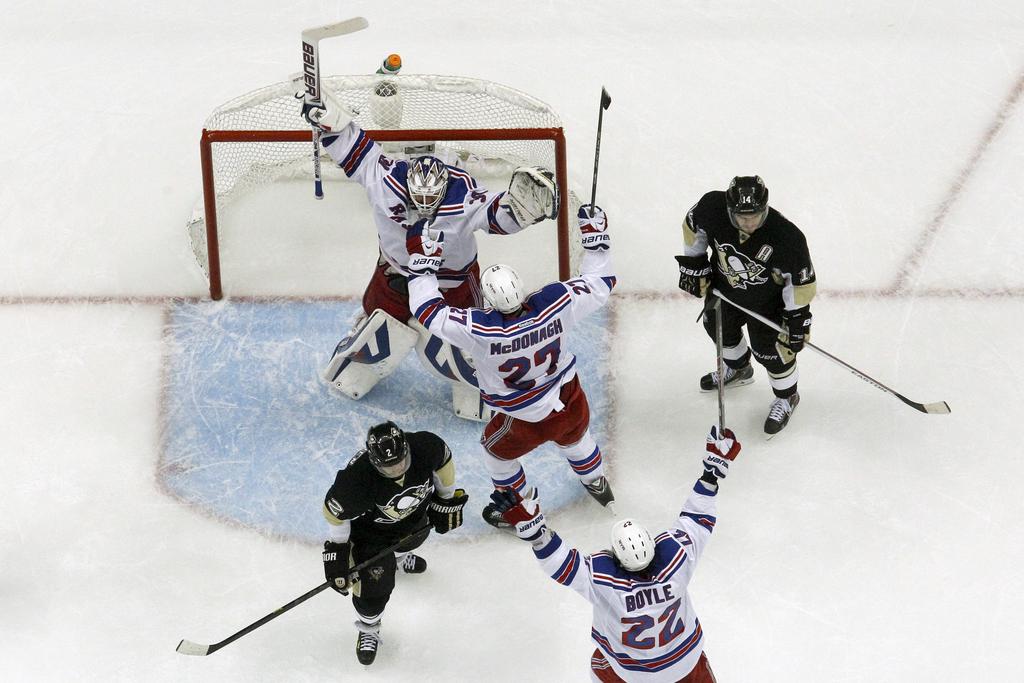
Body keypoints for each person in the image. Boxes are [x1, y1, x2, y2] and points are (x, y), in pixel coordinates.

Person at [301, 85, 560, 407]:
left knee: (467, 345)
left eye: (431, 203)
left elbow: (498, 217)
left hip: (454, 284)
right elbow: (353, 147)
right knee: (375, 330)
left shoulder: (463, 196)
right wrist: (331, 123)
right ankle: (360, 368)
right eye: (416, 201)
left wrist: (524, 208)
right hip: (394, 273)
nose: (423, 209)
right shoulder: (385, 179)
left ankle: (477, 389)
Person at [404, 205, 617, 527]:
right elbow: (601, 283)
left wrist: (423, 268)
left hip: (526, 417)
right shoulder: (554, 304)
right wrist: (596, 241)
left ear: (489, 300)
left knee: (496, 455)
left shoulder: (483, 330)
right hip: (570, 399)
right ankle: (596, 481)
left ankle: (517, 509)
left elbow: (429, 311)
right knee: (577, 438)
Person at [490, 425, 742, 682]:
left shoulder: (605, 580)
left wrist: (538, 535)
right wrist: (712, 473)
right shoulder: (676, 558)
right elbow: (698, 519)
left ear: (617, 558)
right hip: (685, 666)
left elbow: (562, 566)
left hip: (630, 675)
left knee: (600, 664)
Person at [674, 175, 816, 435]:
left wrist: (797, 318)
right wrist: (695, 265)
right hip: (724, 290)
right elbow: (693, 227)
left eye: (755, 216)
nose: (749, 223)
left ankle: (787, 397)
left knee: (771, 349)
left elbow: (800, 283)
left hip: (767, 305)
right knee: (716, 326)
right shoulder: (711, 207)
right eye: (742, 217)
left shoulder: (787, 237)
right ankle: (739, 369)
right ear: (730, 210)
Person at [320, 421, 469, 665]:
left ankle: (397, 561)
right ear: (375, 463)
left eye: (402, 460)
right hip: (372, 537)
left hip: (414, 520)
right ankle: (369, 629)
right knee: (372, 596)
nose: (398, 468)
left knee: (412, 542)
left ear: (407, 447)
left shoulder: (426, 446)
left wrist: (447, 500)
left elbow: (444, 463)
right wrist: (336, 551)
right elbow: (333, 514)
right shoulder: (355, 482)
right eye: (389, 468)